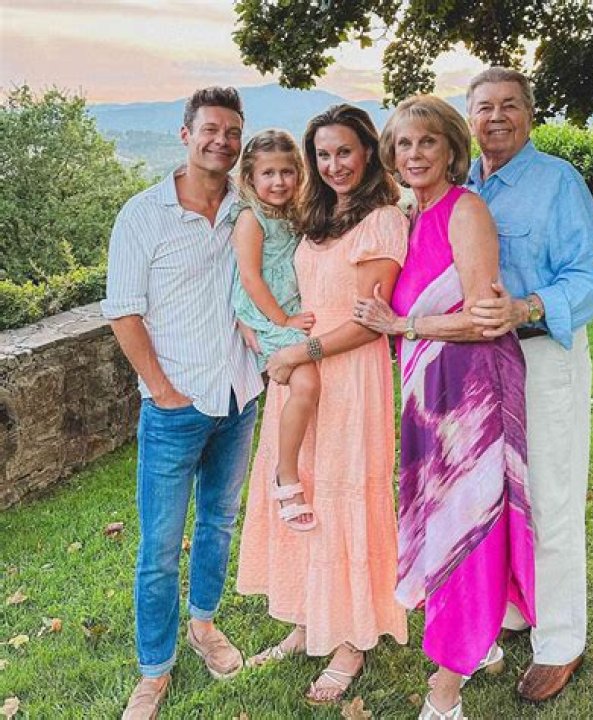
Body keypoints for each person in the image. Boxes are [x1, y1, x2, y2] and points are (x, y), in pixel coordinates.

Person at [354, 94, 535, 720]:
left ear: (452, 149)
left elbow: (485, 320)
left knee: (467, 525)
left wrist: (401, 325)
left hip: (470, 394)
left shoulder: (466, 210)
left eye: (427, 141)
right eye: (403, 144)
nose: (414, 154)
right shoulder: (409, 217)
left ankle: (446, 688)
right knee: (447, 522)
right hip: (427, 397)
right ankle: (480, 641)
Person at [236, 104, 409, 704]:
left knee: (341, 493)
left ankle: (350, 640)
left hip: (347, 372)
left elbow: (369, 322)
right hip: (301, 370)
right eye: (323, 154)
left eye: (344, 152)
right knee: (302, 490)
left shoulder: (383, 219)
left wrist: (300, 351)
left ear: (368, 153)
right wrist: (270, 334)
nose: (333, 165)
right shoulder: (315, 214)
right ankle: (309, 619)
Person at [102, 87, 263, 720]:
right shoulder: (144, 215)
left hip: (239, 397)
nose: (222, 141)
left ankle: (204, 625)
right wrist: (163, 392)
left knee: (219, 522)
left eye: (232, 132)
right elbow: (124, 312)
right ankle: (154, 669)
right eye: (210, 130)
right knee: (160, 548)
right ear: (185, 134)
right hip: (175, 408)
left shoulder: (247, 209)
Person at [465, 67, 593, 702]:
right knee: (497, 494)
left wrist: (526, 307)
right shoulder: (464, 186)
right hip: (480, 366)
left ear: (529, 113)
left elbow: (590, 279)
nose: (496, 117)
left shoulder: (558, 182)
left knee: (551, 497)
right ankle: (515, 608)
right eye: (484, 107)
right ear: (469, 118)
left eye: (509, 105)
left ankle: (560, 641)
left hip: (542, 354)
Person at [231, 129, 318, 531]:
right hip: (269, 315)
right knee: (306, 384)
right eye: (268, 174)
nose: (279, 182)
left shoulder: (293, 214)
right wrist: (282, 321)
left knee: (310, 385)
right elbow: (250, 277)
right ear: (250, 178)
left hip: (291, 310)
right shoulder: (252, 218)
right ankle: (285, 474)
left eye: (287, 172)